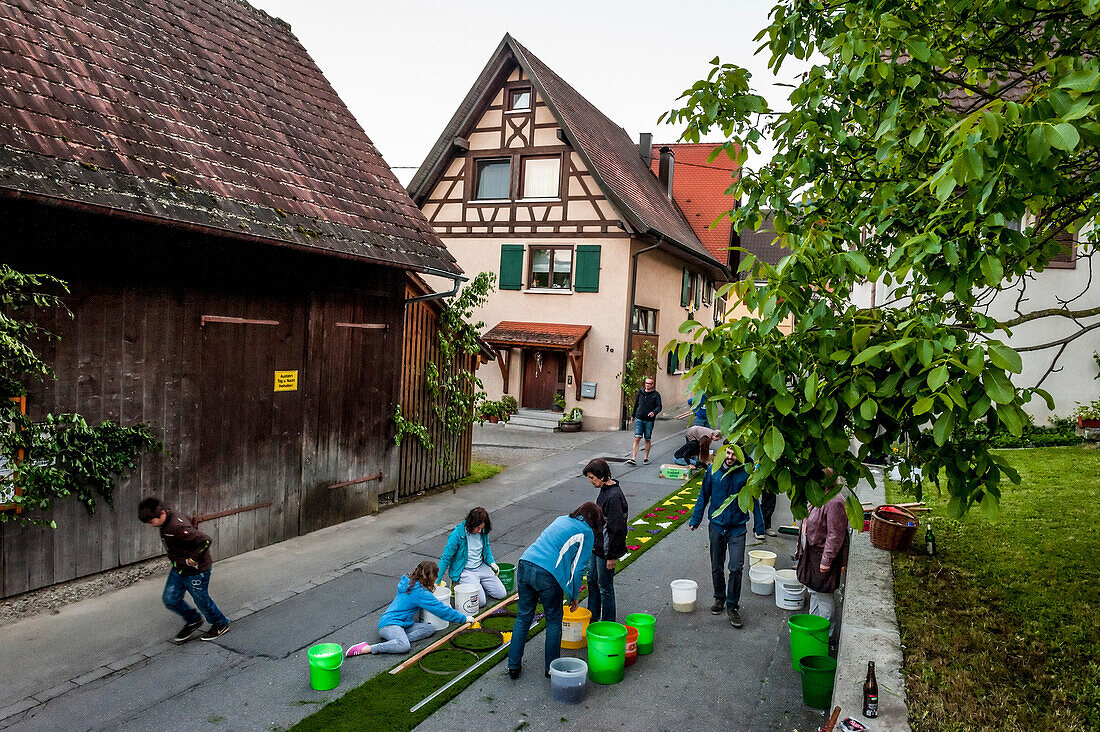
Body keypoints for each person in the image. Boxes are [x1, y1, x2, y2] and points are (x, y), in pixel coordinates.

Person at [508, 502, 603, 679]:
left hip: (524, 563)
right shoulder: (587, 532)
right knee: (553, 620)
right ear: (595, 522)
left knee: (523, 617)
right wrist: (574, 596)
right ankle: (551, 669)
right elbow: (578, 568)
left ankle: (513, 666)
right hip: (547, 574)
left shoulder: (562, 519)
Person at [687, 448, 765, 628]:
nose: (730, 457)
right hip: (716, 525)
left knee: (736, 567)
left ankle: (732, 606)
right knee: (717, 565)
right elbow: (703, 495)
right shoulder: (713, 471)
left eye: (734, 454)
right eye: (727, 453)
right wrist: (695, 519)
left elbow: (753, 499)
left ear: (740, 455)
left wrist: (759, 526)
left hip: (737, 527)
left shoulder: (746, 472)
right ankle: (719, 598)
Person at [139, 497, 230, 643]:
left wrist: (193, 559)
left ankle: (221, 623)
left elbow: (205, 540)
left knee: (202, 601)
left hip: (195, 571)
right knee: (170, 599)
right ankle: (193, 620)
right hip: (179, 568)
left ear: (162, 513)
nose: (150, 525)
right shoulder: (168, 519)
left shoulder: (177, 527)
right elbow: (191, 520)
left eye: (151, 522)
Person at [345, 560, 472, 657]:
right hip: (389, 624)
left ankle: (395, 640)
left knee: (429, 628)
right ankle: (367, 648)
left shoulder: (409, 582)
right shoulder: (420, 593)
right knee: (404, 646)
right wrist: (464, 619)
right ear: (430, 577)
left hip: (403, 624)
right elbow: (441, 610)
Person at [796, 472, 850, 627]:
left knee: (824, 595)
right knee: (814, 591)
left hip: (822, 555)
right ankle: (812, 627)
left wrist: (826, 560)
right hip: (813, 553)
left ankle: (825, 633)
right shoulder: (819, 496)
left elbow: (835, 534)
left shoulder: (835, 501)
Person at [583, 459, 628, 622]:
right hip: (597, 546)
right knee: (592, 581)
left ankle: (608, 623)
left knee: (605, 587)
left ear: (602, 477)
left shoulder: (613, 496)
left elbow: (617, 529)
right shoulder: (605, 489)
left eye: (592, 478)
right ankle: (593, 617)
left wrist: (612, 556)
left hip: (606, 550)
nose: (590, 481)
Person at [437, 507, 505, 608]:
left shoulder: (483, 532)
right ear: (471, 524)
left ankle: (478, 585)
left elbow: (486, 547)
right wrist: (437, 580)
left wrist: (492, 562)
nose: (480, 531)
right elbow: (445, 558)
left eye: (482, 528)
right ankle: (461, 585)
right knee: (481, 602)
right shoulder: (457, 535)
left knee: (501, 594)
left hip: (481, 567)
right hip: (465, 571)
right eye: (478, 528)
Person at [627, 377, 662, 465]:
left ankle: (646, 458)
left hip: (649, 420)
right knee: (637, 438)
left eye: (649, 383)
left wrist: (654, 412)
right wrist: (633, 415)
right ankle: (633, 458)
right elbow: (636, 404)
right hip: (639, 418)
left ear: (652, 385)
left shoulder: (656, 395)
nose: (647, 385)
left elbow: (659, 406)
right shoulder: (640, 392)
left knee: (647, 438)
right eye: (646, 383)